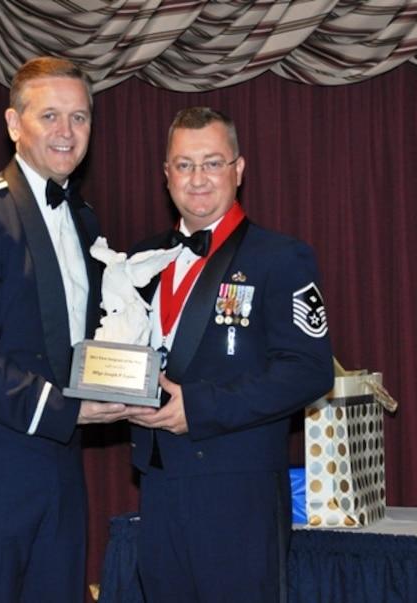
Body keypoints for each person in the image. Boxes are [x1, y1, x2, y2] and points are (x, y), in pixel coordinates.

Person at [0, 56, 141, 602]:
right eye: (49, 116)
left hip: (61, 464)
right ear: (13, 124)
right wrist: (67, 409)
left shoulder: (84, 218)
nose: (66, 132)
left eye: (80, 117)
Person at [128, 106, 335, 602]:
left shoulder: (281, 257)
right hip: (157, 486)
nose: (197, 178)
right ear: (166, 174)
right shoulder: (138, 262)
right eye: (184, 164)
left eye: (212, 162)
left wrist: (201, 406)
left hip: (237, 492)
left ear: (239, 170)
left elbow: (309, 371)